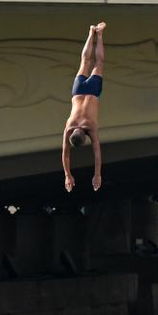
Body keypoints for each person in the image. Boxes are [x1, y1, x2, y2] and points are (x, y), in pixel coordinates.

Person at [62, 23, 105, 193]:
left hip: (93, 92)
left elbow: (97, 154)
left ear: (85, 137)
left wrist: (97, 175)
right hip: (78, 91)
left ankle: (99, 34)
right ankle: (91, 32)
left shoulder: (91, 128)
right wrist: (67, 174)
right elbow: (65, 153)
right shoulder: (69, 127)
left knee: (99, 62)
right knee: (85, 61)